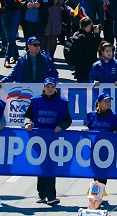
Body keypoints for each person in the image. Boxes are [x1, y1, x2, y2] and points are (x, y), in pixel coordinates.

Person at [23, 78, 72, 206]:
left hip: (55, 139)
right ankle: (41, 194)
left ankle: (51, 195)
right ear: (44, 87)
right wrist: (28, 123)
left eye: (52, 87)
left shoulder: (62, 102)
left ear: (55, 88)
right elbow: (28, 116)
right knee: (42, 165)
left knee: (50, 167)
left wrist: (61, 126)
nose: (50, 89)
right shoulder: (35, 101)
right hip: (39, 138)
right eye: (48, 86)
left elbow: (68, 120)